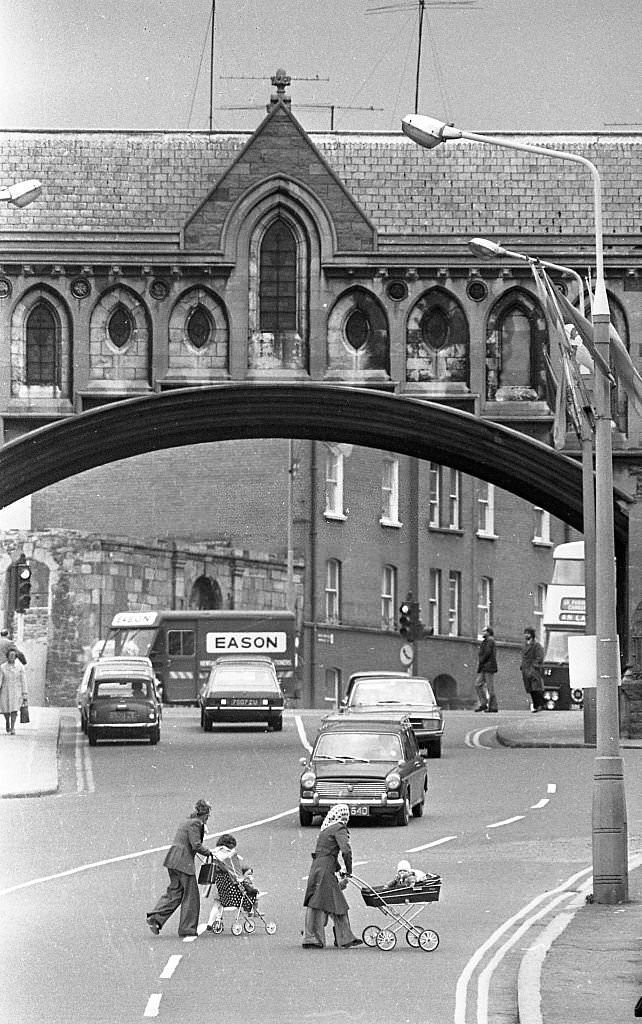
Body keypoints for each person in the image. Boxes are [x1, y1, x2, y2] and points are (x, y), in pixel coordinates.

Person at [147, 798, 212, 937]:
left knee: (175, 891)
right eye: (208, 816)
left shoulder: (187, 821)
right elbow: (196, 845)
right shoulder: (196, 823)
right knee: (191, 895)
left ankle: (156, 918)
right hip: (183, 862)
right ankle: (187, 928)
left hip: (173, 859)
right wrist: (209, 852)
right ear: (205, 814)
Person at [302, 803, 362, 949]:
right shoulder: (339, 828)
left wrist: (339, 868)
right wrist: (349, 869)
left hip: (318, 868)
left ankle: (313, 936)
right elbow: (345, 850)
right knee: (335, 902)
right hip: (325, 870)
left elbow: (325, 852)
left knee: (318, 901)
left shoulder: (326, 829)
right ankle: (341, 937)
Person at [204, 833, 260, 930]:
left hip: (220, 885)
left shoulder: (216, 854)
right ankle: (252, 911)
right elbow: (237, 871)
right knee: (247, 895)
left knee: (217, 903)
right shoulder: (230, 855)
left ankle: (211, 922)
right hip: (231, 887)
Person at [0, 646, 28, 735]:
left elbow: (23, 680)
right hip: (5, 689)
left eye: (13, 655)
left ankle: (12, 727)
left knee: (14, 709)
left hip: (16, 690)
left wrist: (24, 694)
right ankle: (7, 721)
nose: (11, 657)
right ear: (7, 656)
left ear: (16, 657)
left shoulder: (20, 667)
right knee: (5, 709)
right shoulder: (2, 667)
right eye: (10, 655)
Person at [520, 627, 545, 712]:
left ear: (531, 635)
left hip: (533, 669)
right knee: (530, 688)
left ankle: (539, 705)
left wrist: (534, 666)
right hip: (525, 669)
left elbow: (540, 657)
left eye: (528, 633)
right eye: (525, 633)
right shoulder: (525, 645)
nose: (526, 635)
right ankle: (536, 705)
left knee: (536, 688)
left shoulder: (536, 645)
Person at [475, 626, 499, 712]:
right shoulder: (485, 641)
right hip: (484, 667)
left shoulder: (490, 641)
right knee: (478, 685)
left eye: (484, 631)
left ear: (489, 632)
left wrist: (481, 660)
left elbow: (487, 653)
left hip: (488, 667)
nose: (483, 633)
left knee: (490, 687)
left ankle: (493, 706)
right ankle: (483, 704)